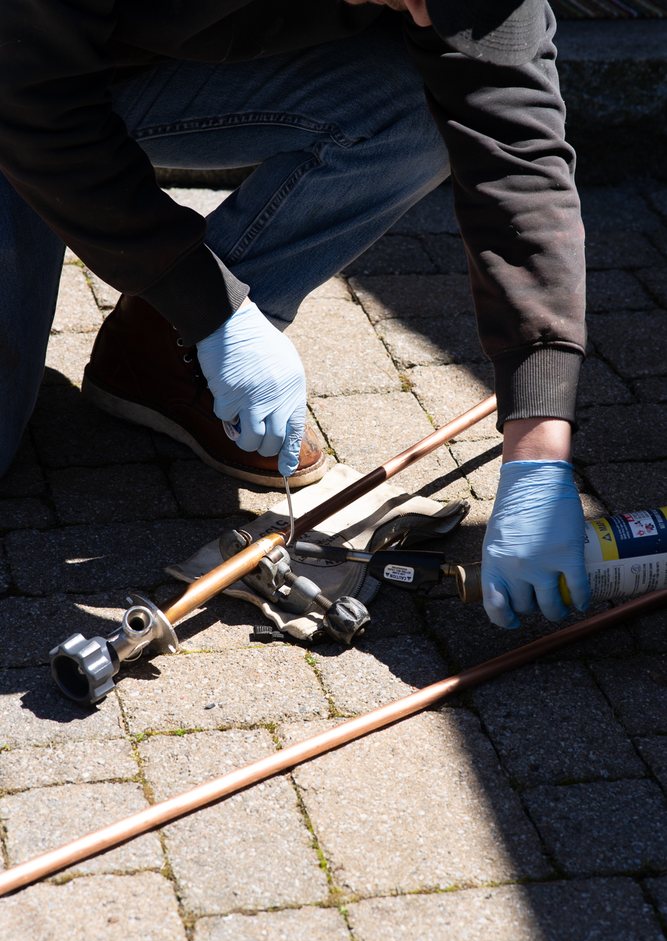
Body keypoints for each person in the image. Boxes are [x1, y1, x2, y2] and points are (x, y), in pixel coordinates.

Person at [0, 0, 591, 629]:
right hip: (20, 79)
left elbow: (517, 148)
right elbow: (30, 96)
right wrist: (213, 309)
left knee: (419, 107)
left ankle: (160, 351)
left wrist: (538, 456)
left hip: (129, 67)